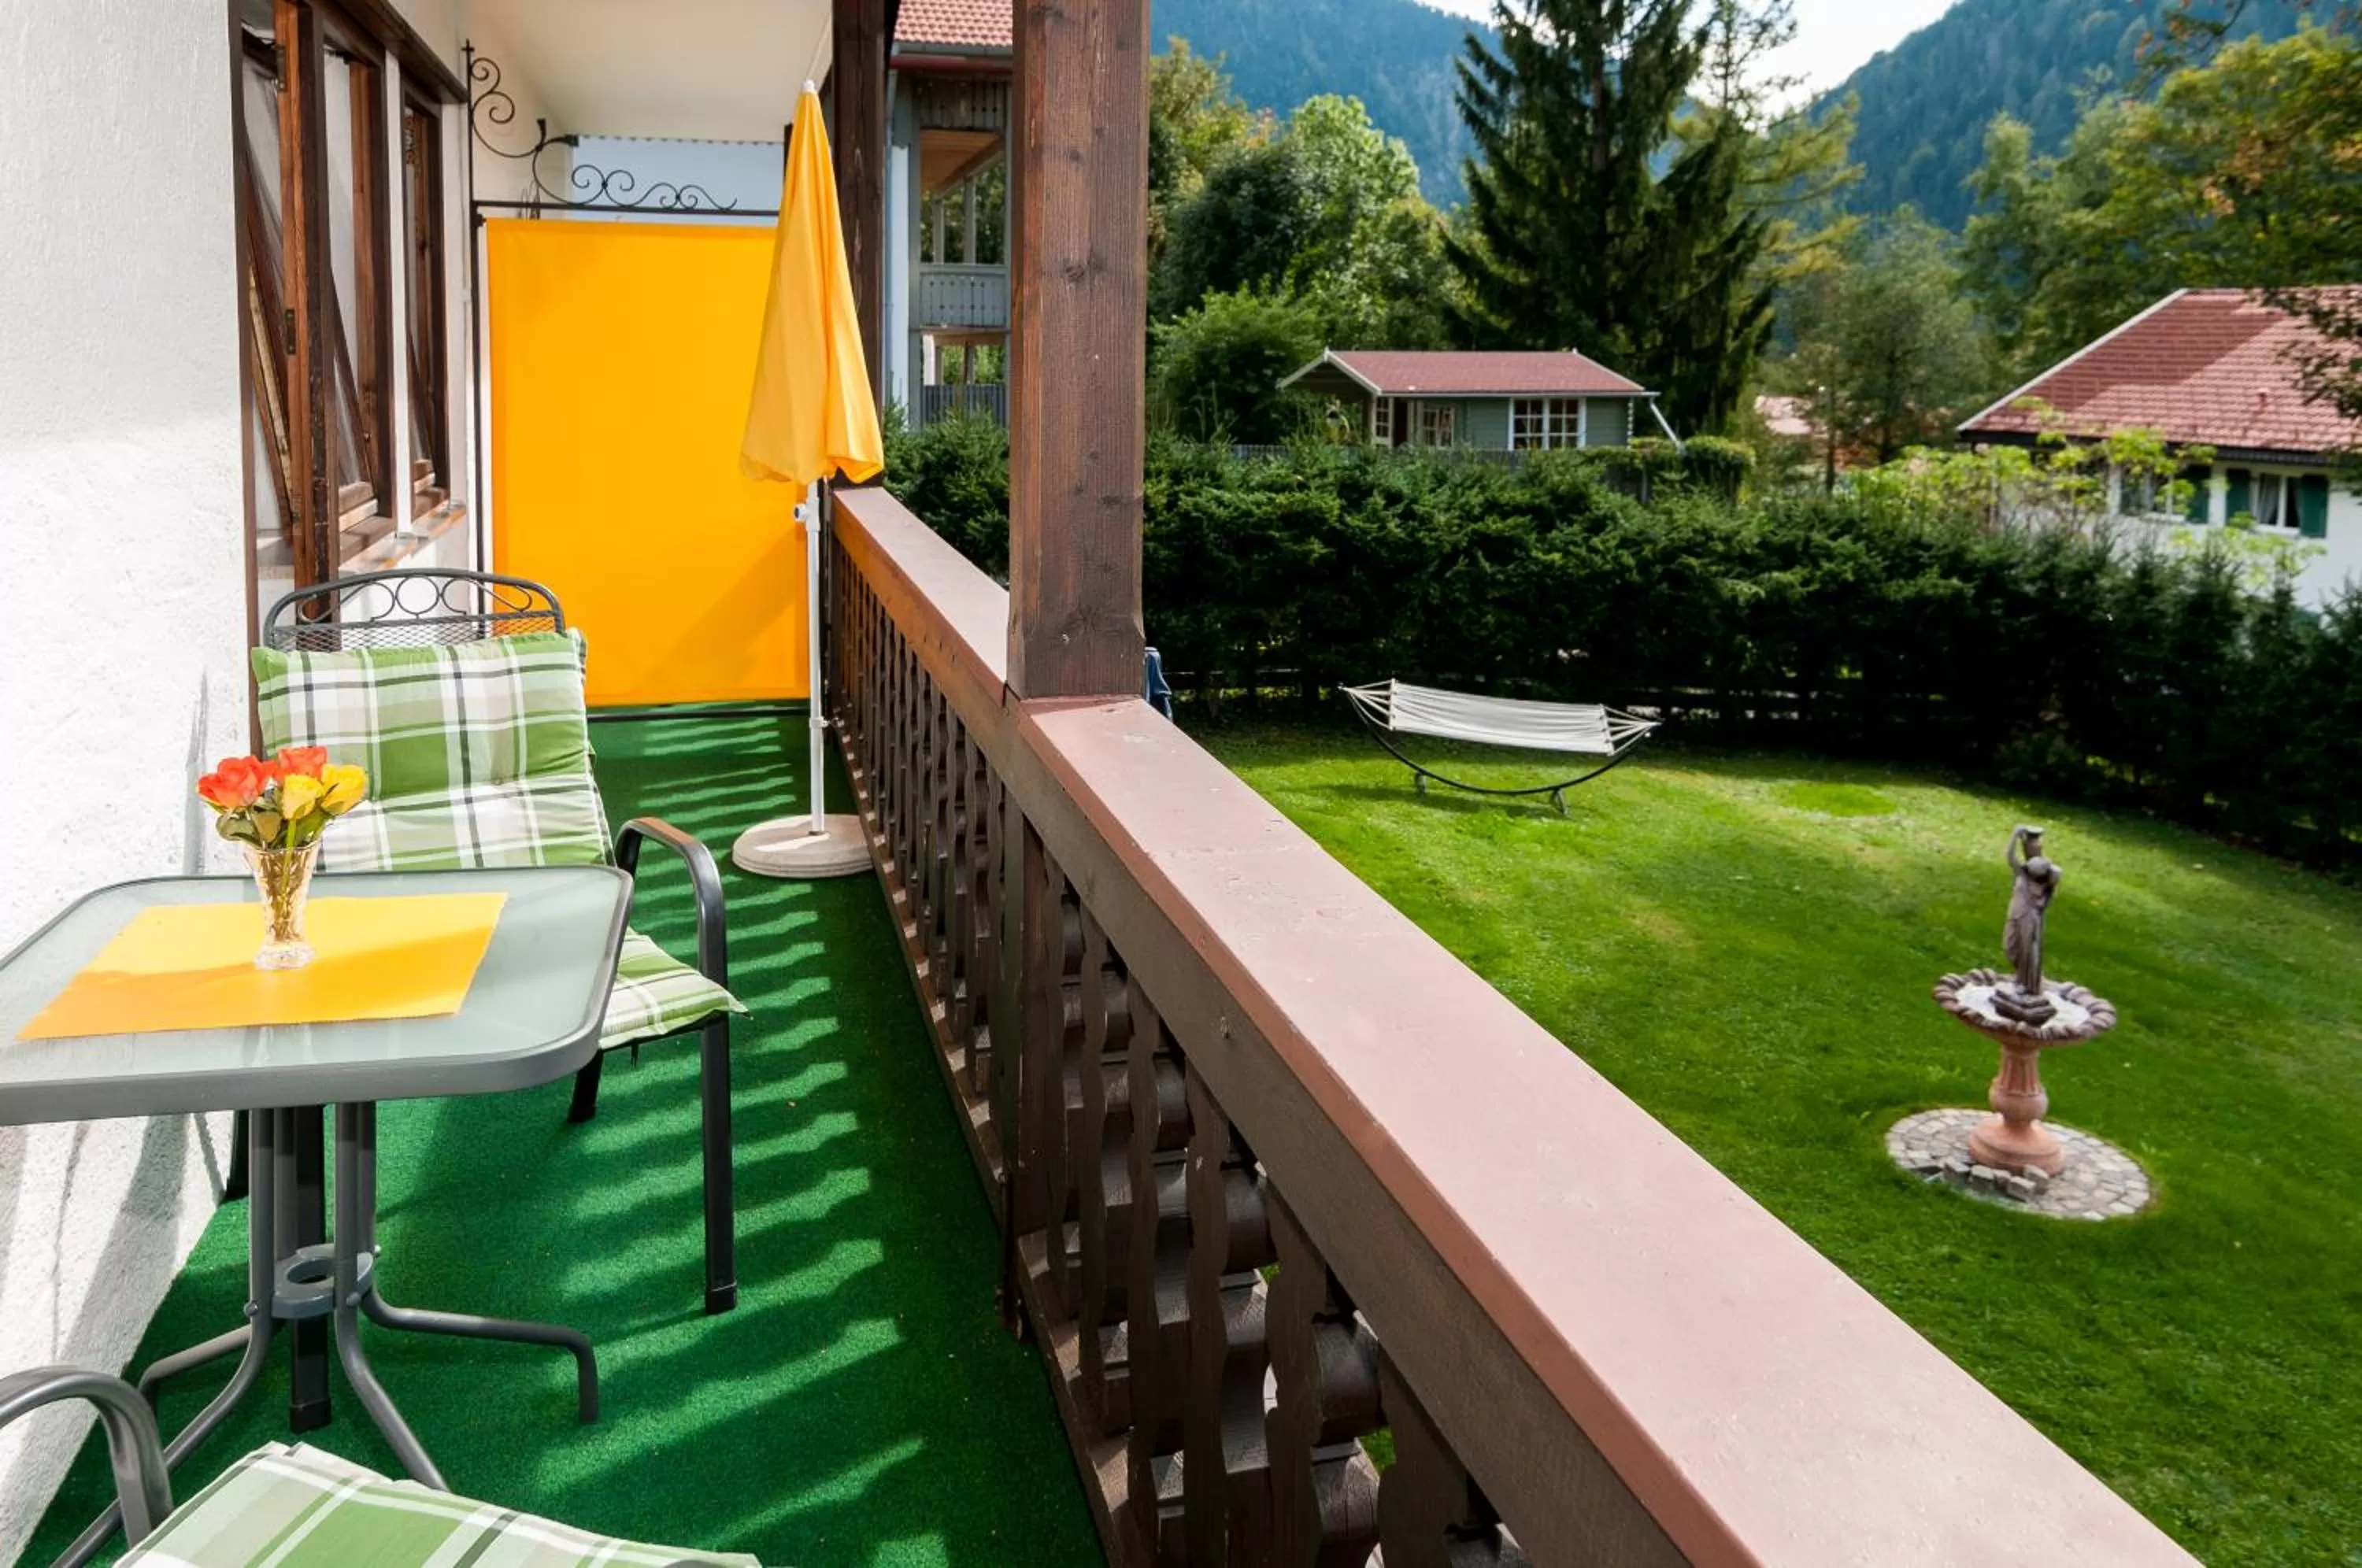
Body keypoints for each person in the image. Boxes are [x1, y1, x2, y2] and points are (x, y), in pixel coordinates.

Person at [2001, 825, 2060, 1019]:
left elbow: (2056, 876)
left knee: (2028, 951)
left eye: (2033, 847)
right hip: (2015, 914)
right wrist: (2015, 835)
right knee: (2010, 948)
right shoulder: (2022, 873)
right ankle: (2021, 979)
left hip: (2030, 917)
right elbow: (2010, 857)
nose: (2030, 850)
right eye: (2028, 847)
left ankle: (2027, 985)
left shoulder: (2044, 875)